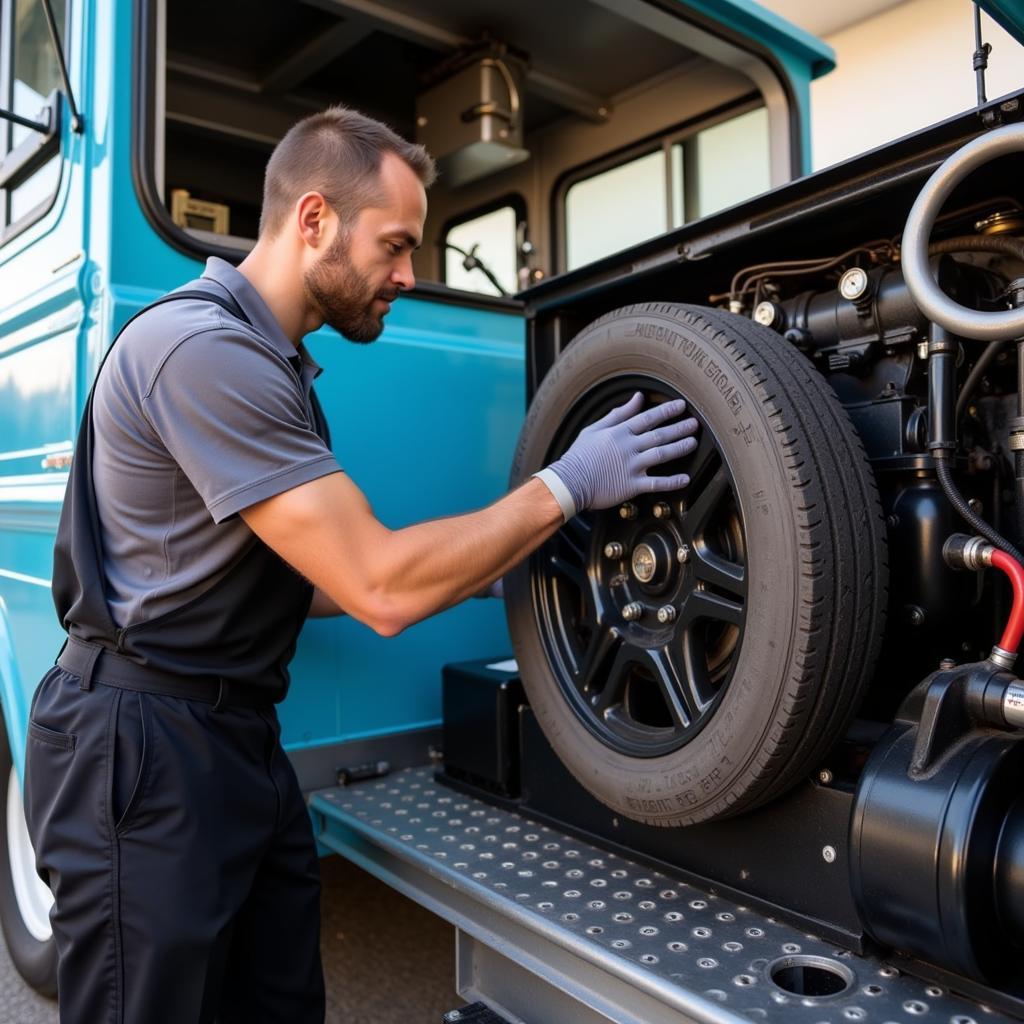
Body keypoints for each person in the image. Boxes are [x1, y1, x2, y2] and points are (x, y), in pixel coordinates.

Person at [24, 106, 699, 1024]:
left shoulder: (275, 361)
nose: (408, 276)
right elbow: (377, 584)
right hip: (145, 745)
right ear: (313, 221)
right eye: (395, 244)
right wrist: (566, 486)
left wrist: (504, 566)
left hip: (230, 739)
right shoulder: (206, 352)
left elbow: (309, 583)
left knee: (279, 1003)